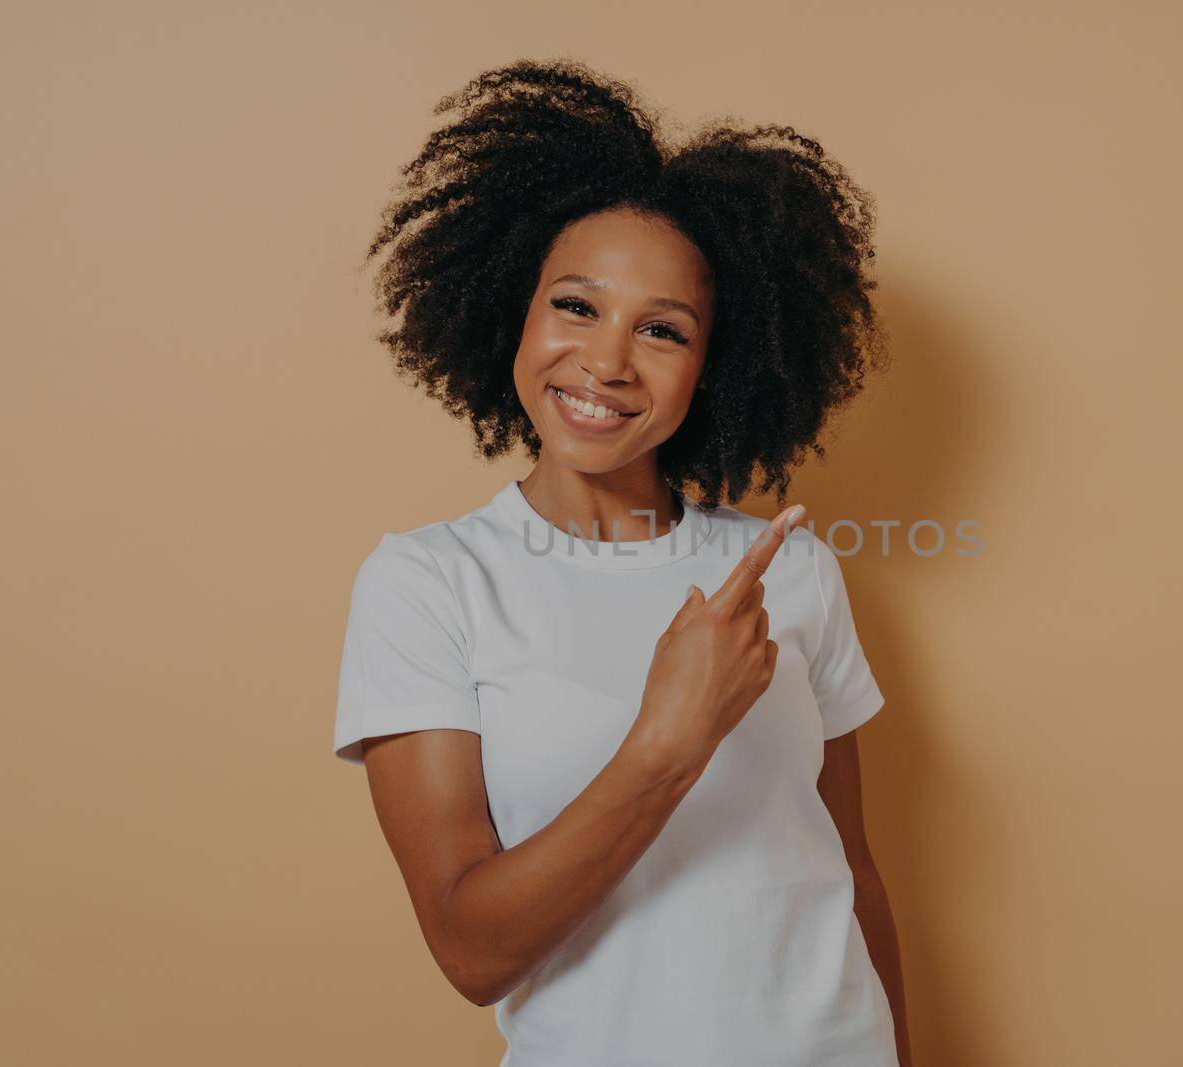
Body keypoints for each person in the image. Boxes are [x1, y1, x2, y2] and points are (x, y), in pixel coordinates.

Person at [332, 58, 911, 1066]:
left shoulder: (790, 568)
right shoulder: (429, 583)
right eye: (574, 305)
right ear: (511, 312)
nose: (606, 362)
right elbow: (472, 949)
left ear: (714, 365)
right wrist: (670, 734)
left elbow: (849, 869)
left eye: (662, 329)